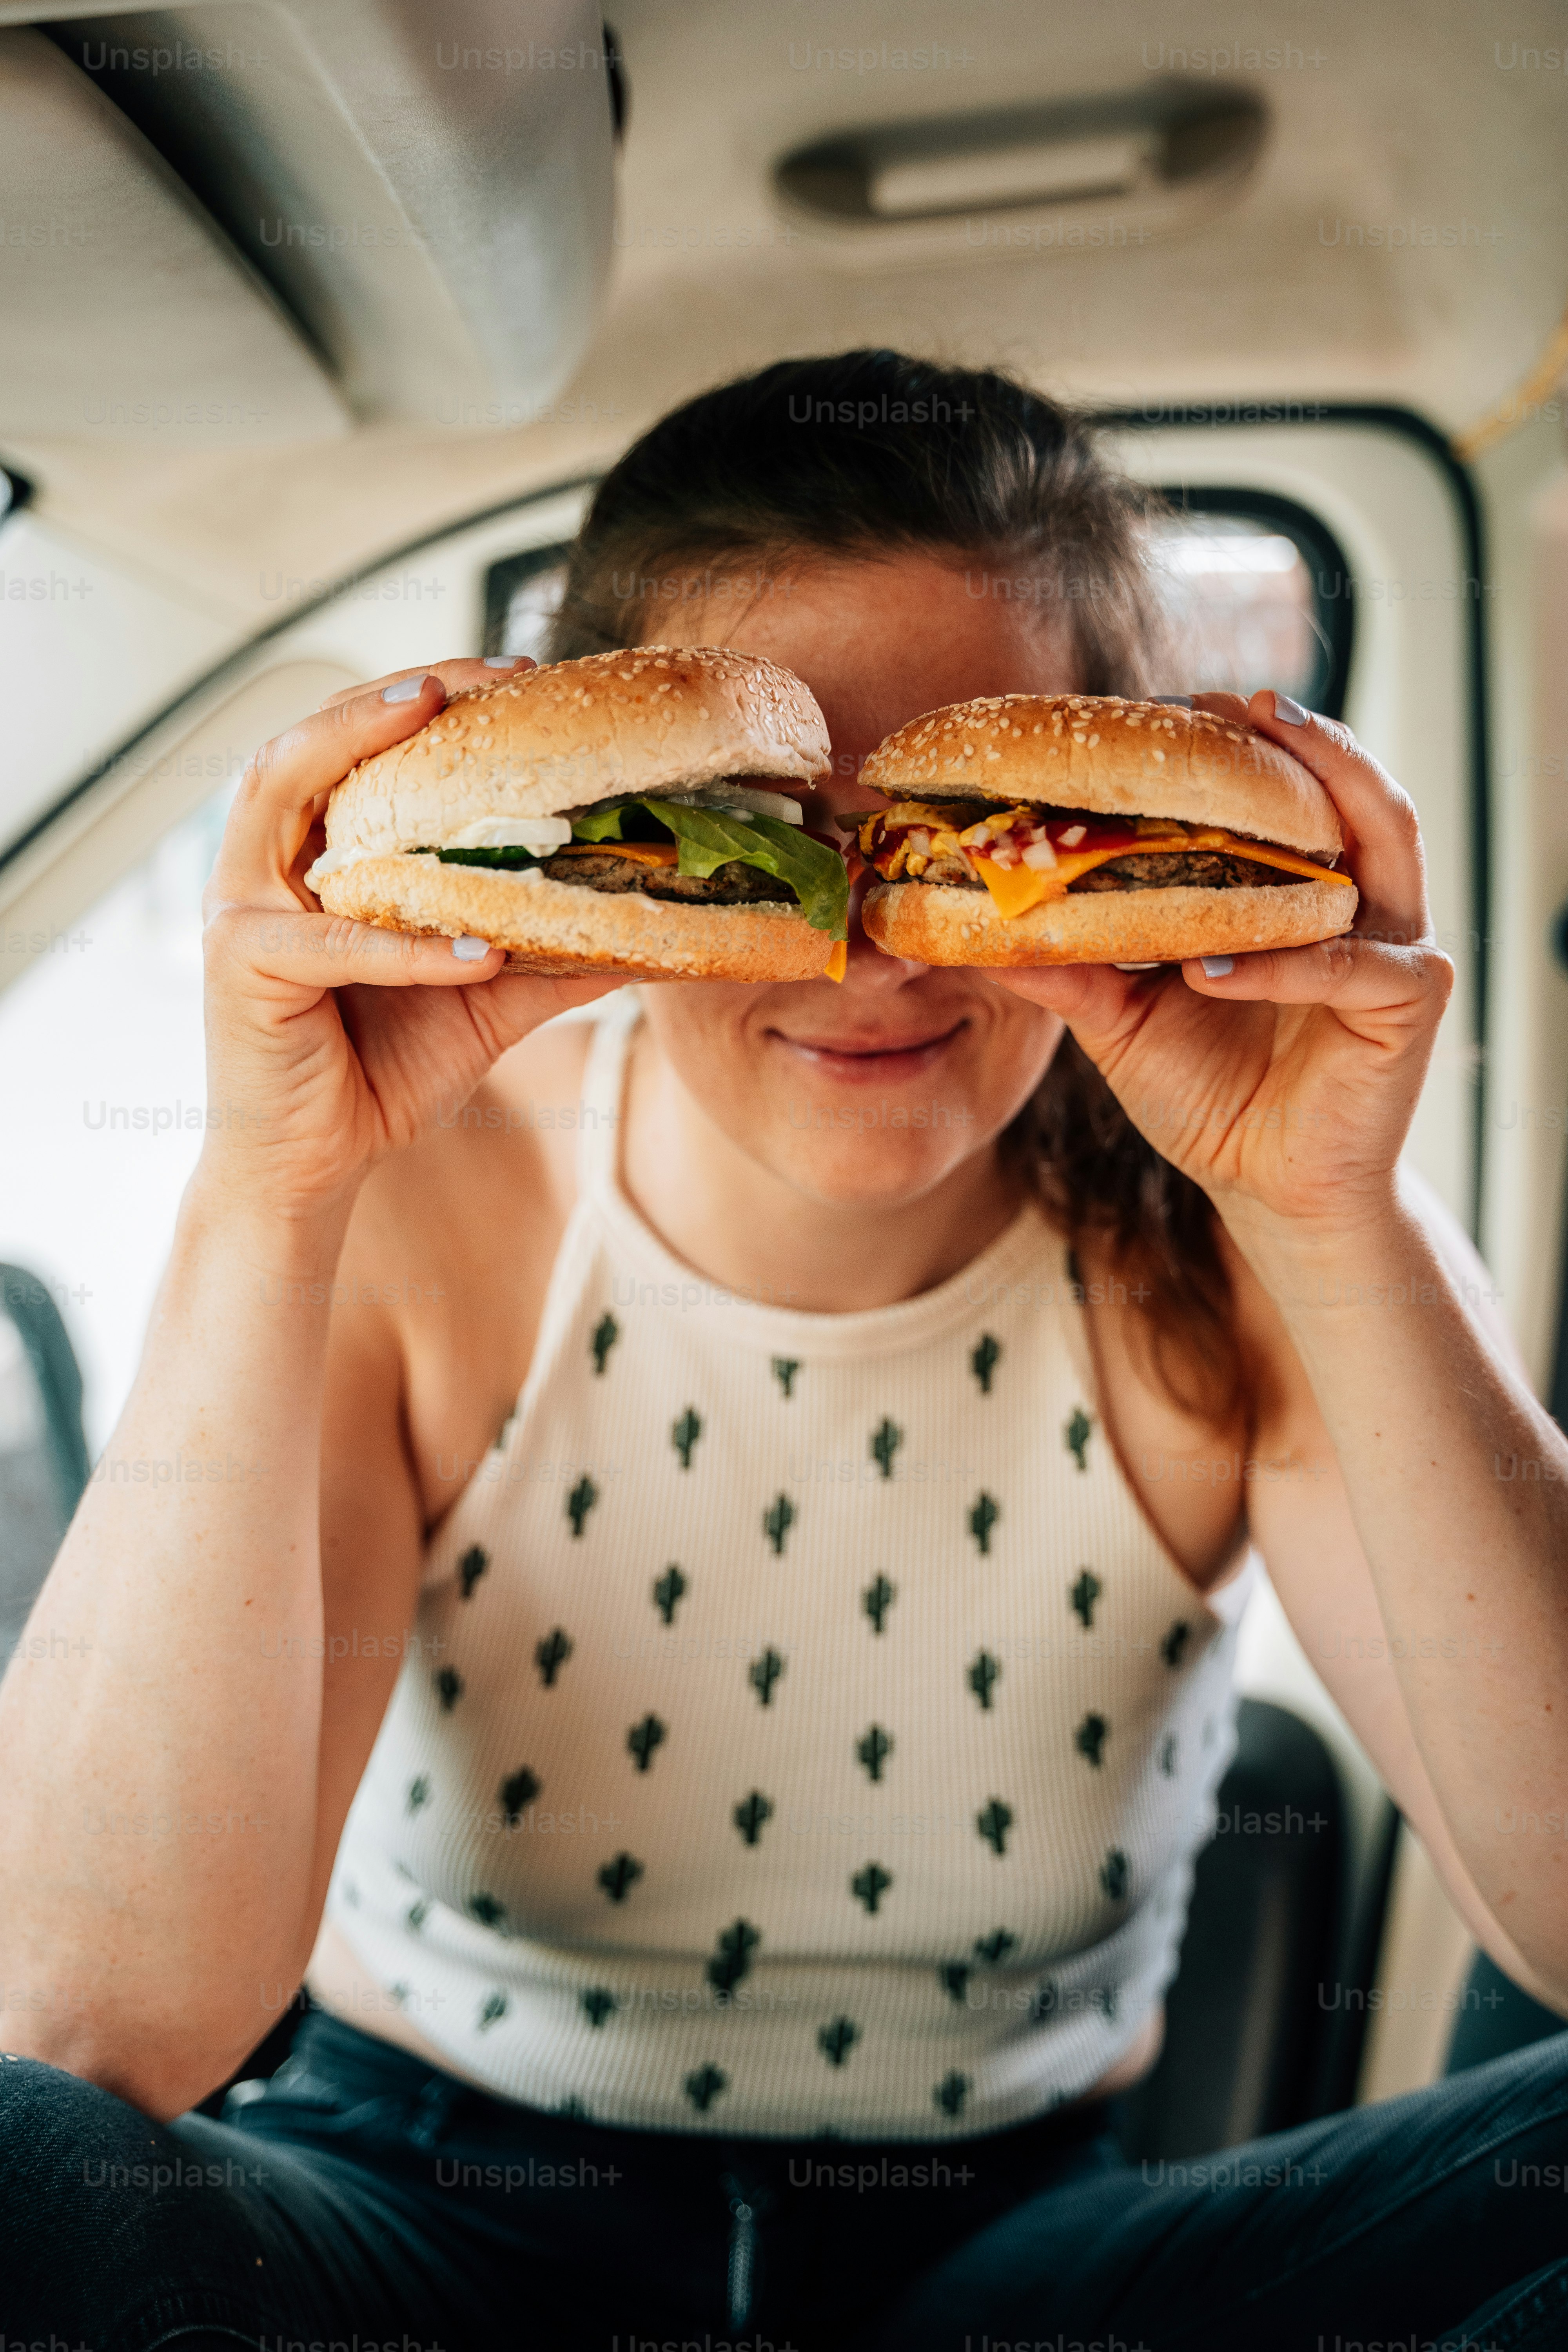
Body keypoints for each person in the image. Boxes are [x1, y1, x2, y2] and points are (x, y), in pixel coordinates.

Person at [3, 350, 1568, 2352]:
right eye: (780, 840)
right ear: (615, 834)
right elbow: (83, 2031)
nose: (876, 950)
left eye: (960, 843)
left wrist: (1334, 1218)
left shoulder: (1257, 1217)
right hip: (438, 2211)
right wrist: (264, 1192)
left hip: (1017, 2265)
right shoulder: (423, 1195)